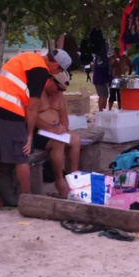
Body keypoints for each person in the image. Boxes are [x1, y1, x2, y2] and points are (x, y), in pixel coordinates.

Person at [0, 48, 71, 213]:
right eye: (58, 70)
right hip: (10, 109)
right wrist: (29, 135)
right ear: (56, 65)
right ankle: (27, 199)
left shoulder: (27, 57)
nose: (55, 73)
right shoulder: (40, 70)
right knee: (22, 157)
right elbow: (32, 108)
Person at [33, 70, 80, 198]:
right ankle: (59, 180)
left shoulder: (59, 96)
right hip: (39, 132)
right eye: (58, 88)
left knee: (75, 139)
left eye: (62, 89)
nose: (58, 91)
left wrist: (64, 128)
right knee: (58, 143)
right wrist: (51, 129)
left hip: (56, 131)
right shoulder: (36, 93)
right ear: (51, 80)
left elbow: (64, 117)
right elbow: (31, 117)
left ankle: (73, 176)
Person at [92, 45, 112, 111]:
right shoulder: (101, 56)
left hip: (100, 79)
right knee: (103, 96)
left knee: (102, 96)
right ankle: (102, 110)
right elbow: (103, 66)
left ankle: (102, 110)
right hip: (101, 79)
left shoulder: (99, 56)